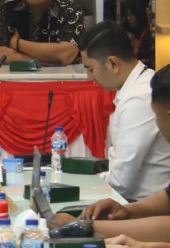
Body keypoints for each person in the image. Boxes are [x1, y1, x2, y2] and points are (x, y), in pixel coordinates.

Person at [53, 65, 170, 246]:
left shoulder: (137, 98)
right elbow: (168, 199)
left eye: (156, 115)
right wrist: (127, 210)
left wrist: (85, 227)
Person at [78, 22, 170, 200]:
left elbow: (121, 182)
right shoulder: (139, 84)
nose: (90, 78)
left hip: (141, 205)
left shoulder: (138, 99)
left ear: (113, 63)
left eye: (91, 69)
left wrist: (82, 186)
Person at [120, 0, 154, 70]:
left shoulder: (147, 35)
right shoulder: (134, 34)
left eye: (131, 14)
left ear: (139, 14)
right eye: (128, 15)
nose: (129, 18)